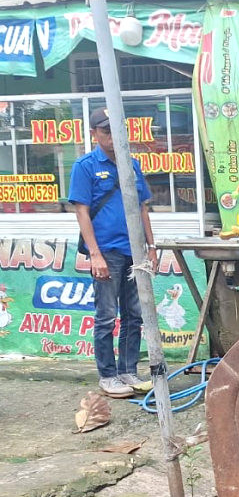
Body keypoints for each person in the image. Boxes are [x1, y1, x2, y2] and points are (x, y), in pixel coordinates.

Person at [69, 106, 157, 399]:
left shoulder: (132, 165)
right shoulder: (85, 166)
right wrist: (95, 254)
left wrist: (151, 246)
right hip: (107, 252)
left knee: (134, 315)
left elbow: (143, 207)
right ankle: (107, 375)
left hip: (134, 251)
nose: (112, 137)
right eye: (105, 131)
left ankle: (128, 370)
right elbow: (82, 212)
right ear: (94, 133)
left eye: (117, 130)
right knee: (106, 316)